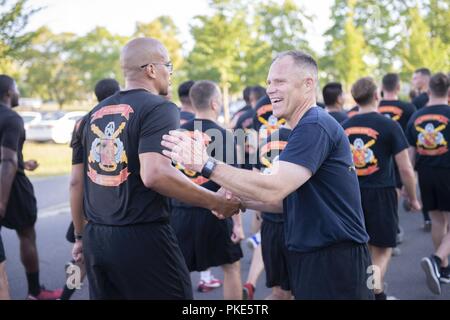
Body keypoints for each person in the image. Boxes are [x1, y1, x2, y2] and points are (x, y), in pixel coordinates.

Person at [162, 50, 374, 300]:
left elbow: (274, 188)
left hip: (334, 259)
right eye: (269, 83)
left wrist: (205, 164)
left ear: (308, 84)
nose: (271, 89)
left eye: (280, 81)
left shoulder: (314, 125)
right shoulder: (300, 129)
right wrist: (239, 201)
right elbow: (282, 202)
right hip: (314, 255)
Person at [70, 38, 240, 299]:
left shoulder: (91, 115)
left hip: (96, 238)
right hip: (142, 235)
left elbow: (76, 183)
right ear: (151, 69)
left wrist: (80, 236)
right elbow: (156, 174)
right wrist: (214, 202)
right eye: (168, 66)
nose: (170, 74)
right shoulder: (159, 107)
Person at [342, 77, 421, 300]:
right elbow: (405, 168)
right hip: (381, 192)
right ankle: (375, 294)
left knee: (365, 248)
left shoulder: (344, 126)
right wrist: (413, 198)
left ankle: (373, 290)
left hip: (351, 195)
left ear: (356, 99)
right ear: (377, 96)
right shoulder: (389, 125)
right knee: (383, 249)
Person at [171, 80, 244, 299]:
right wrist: (238, 225)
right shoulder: (225, 136)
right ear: (214, 103)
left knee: (177, 273)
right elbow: (233, 183)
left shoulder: (176, 133)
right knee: (231, 268)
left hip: (180, 212)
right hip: (216, 210)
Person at [0, 75, 62, 300]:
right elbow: (7, 161)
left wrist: (23, 163)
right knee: (27, 235)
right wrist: (2, 203)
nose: (17, 93)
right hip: (11, 186)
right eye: (16, 90)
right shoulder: (11, 118)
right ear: (8, 93)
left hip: (11, 175)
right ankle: (35, 292)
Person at [60, 78, 120, 300]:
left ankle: (65, 296)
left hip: (85, 203)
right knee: (84, 260)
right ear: (118, 94)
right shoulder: (108, 124)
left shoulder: (82, 122)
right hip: (105, 204)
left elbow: (75, 178)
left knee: (80, 259)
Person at [406, 73, 450, 295]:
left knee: (436, 220)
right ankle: (437, 259)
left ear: (429, 90)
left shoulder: (416, 116)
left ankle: (442, 268)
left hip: (425, 173)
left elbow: (411, 153)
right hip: (447, 171)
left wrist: (408, 184)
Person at [378, 73, 427, 234]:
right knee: (394, 191)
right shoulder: (408, 108)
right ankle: (391, 226)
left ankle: (389, 226)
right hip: (399, 155)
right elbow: (413, 134)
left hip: (376, 156)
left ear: (383, 87)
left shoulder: (375, 107)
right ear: (398, 87)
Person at [259, 126, 292, 300]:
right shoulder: (304, 138)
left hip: (270, 226)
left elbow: (255, 182)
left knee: (278, 293)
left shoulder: (265, 142)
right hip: (298, 226)